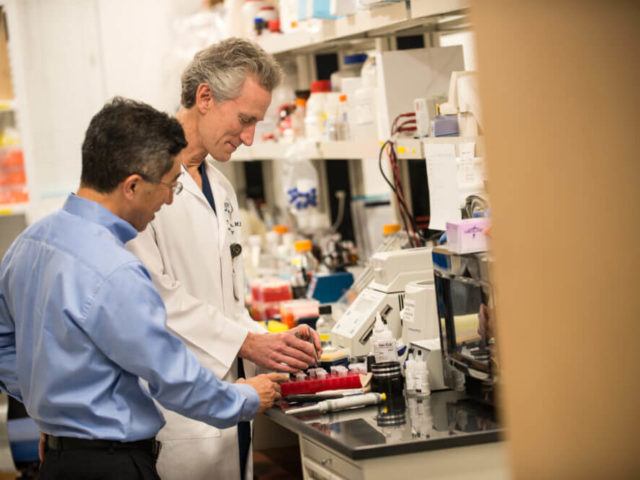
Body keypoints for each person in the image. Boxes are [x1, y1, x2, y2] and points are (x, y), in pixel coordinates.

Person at [0, 98, 282, 480]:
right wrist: (248, 397)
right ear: (132, 186)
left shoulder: (29, 244)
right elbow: (173, 378)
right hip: (113, 466)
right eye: (168, 186)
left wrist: (55, 411)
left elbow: (4, 346)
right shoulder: (115, 270)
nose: (167, 200)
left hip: (58, 459)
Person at [127, 38, 321, 480]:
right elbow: (153, 299)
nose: (250, 138)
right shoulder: (143, 183)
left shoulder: (223, 188)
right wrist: (246, 342)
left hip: (235, 404)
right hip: (176, 413)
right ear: (205, 98)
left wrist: (276, 344)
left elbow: (229, 304)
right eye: (245, 119)